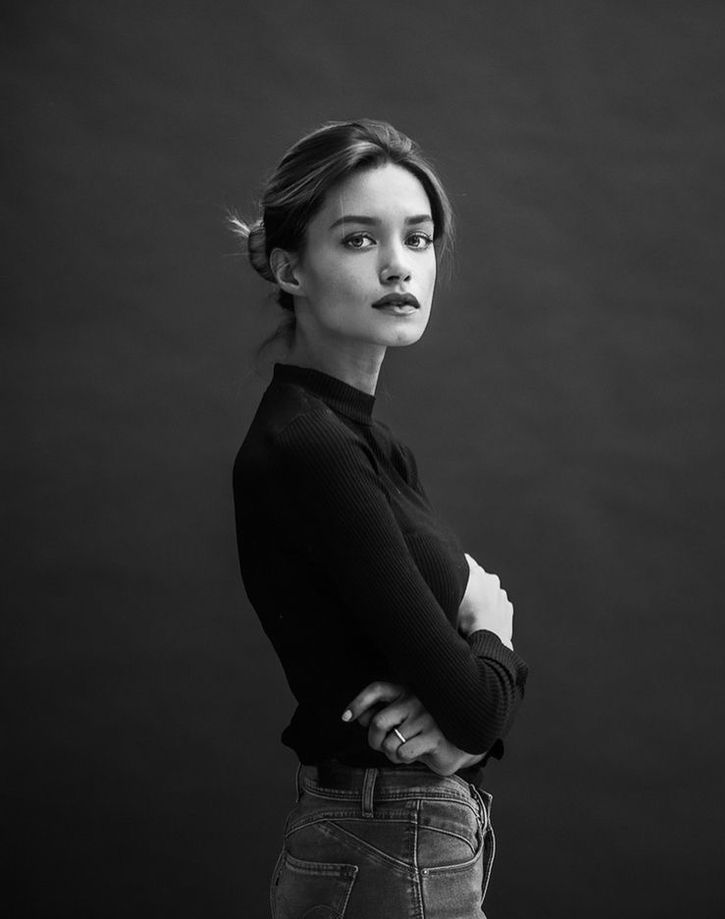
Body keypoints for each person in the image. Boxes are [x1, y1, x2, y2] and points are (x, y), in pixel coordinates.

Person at [231, 119, 529, 918]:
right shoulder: (311, 447)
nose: (401, 264)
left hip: (394, 839)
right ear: (290, 266)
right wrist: (493, 629)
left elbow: (468, 708)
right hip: (385, 844)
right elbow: (475, 697)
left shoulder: (362, 439)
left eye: (420, 238)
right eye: (360, 240)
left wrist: (470, 714)